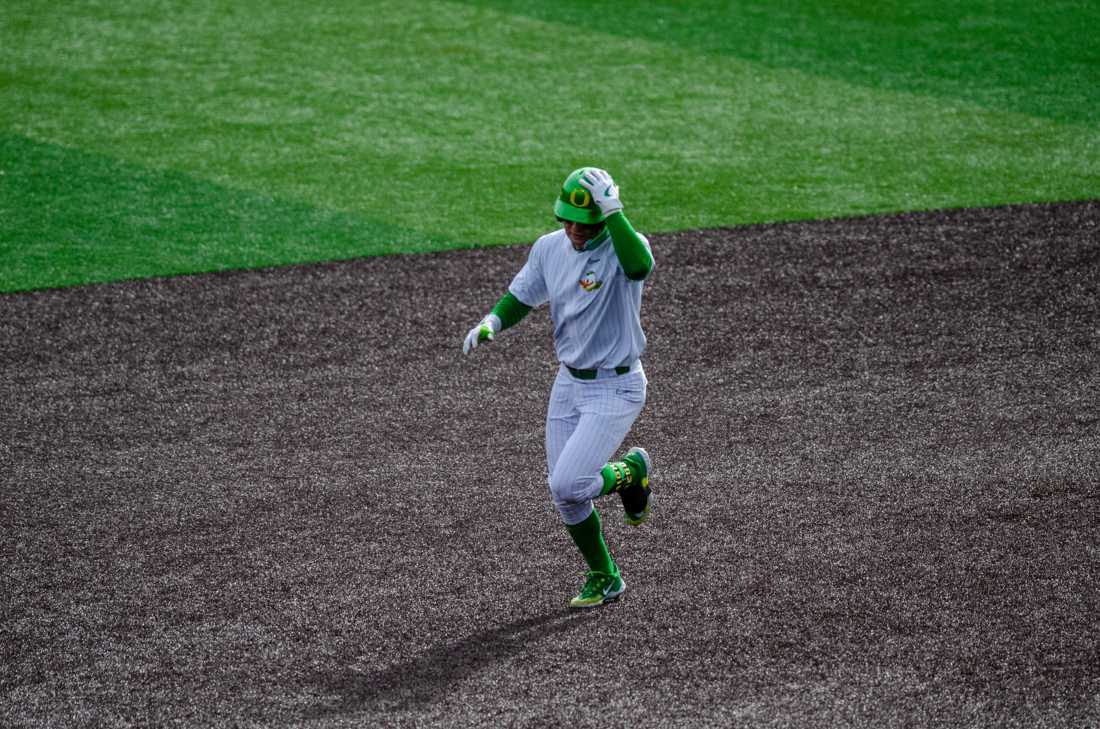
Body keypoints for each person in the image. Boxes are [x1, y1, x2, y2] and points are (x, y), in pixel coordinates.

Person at [462, 167, 655, 609]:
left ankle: (630, 472)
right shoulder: (550, 249)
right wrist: (492, 321)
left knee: (571, 483)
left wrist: (614, 210)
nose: (574, 230)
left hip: (617, 387)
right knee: (563, 493)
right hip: (569, 383)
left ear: (604, 218)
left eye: (585, 223)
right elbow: (522, 295)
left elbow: (640, 266)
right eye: (566, 220)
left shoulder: (625, 249)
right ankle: (605, 575)